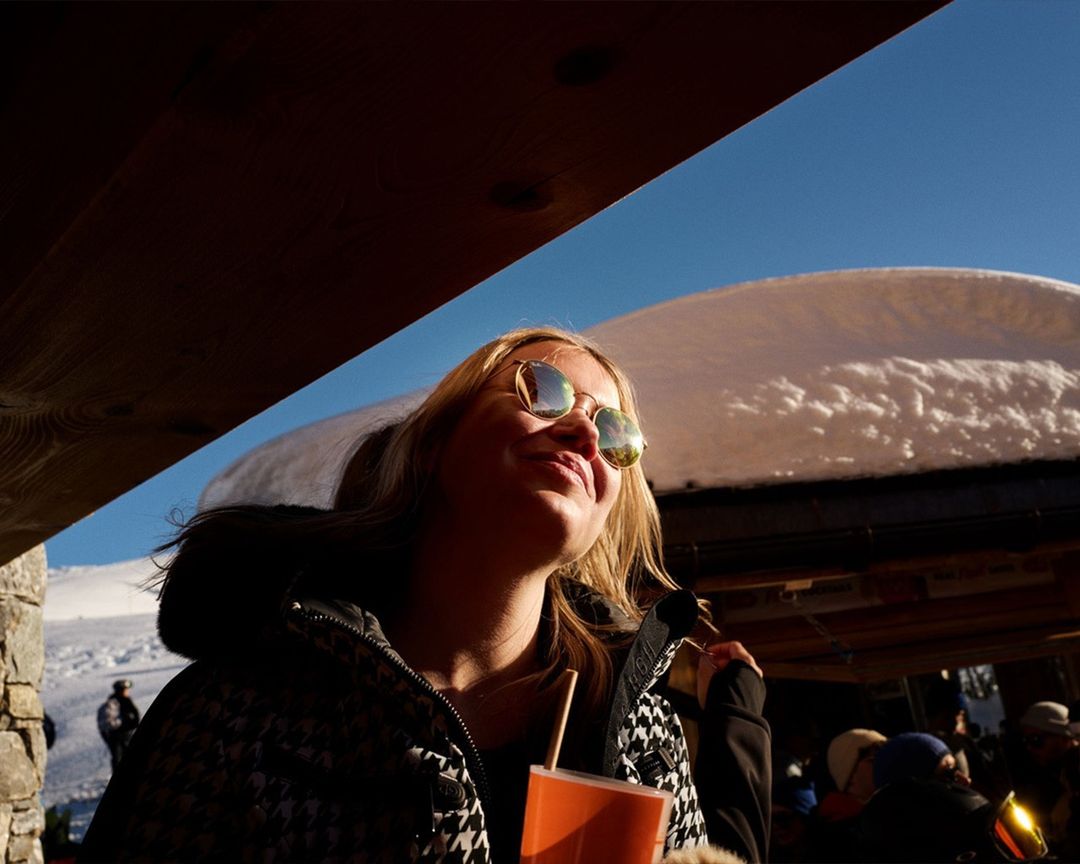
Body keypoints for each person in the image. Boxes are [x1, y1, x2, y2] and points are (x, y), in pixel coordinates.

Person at [79, 327, 770, 863]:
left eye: (617, 435)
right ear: (435, 443)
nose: (587, 432)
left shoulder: (644, 729)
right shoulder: (241, 712)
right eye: (543, 391)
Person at [806, 728, 885, 862]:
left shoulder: (888, 812)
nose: (886, 764)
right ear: (850, 774)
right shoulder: (834, 838)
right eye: (874, 759)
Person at [95, 679, 140, 771]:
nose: (127, 691)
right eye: (126, 689)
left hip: (118, 735)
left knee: (119, 757)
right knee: (120, 757)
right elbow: (134, 716)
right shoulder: (119, 702)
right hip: (120, 735)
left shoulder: (118, 700)